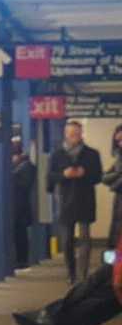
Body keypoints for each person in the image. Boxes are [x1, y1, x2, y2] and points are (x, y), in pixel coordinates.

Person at [59, 120, 106, 286]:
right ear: (66, 135)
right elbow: (49, 179)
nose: (74, 138)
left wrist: (83, 173)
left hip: (85, 200)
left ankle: (83, 274)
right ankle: (70, 273)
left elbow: (98, 176)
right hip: (66, 201)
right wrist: (64, 175)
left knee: (85, 237)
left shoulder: (92, 154)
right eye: (71, 135)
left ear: (81, 134)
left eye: (77, 134)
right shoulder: (58, 154)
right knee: (67, 239)